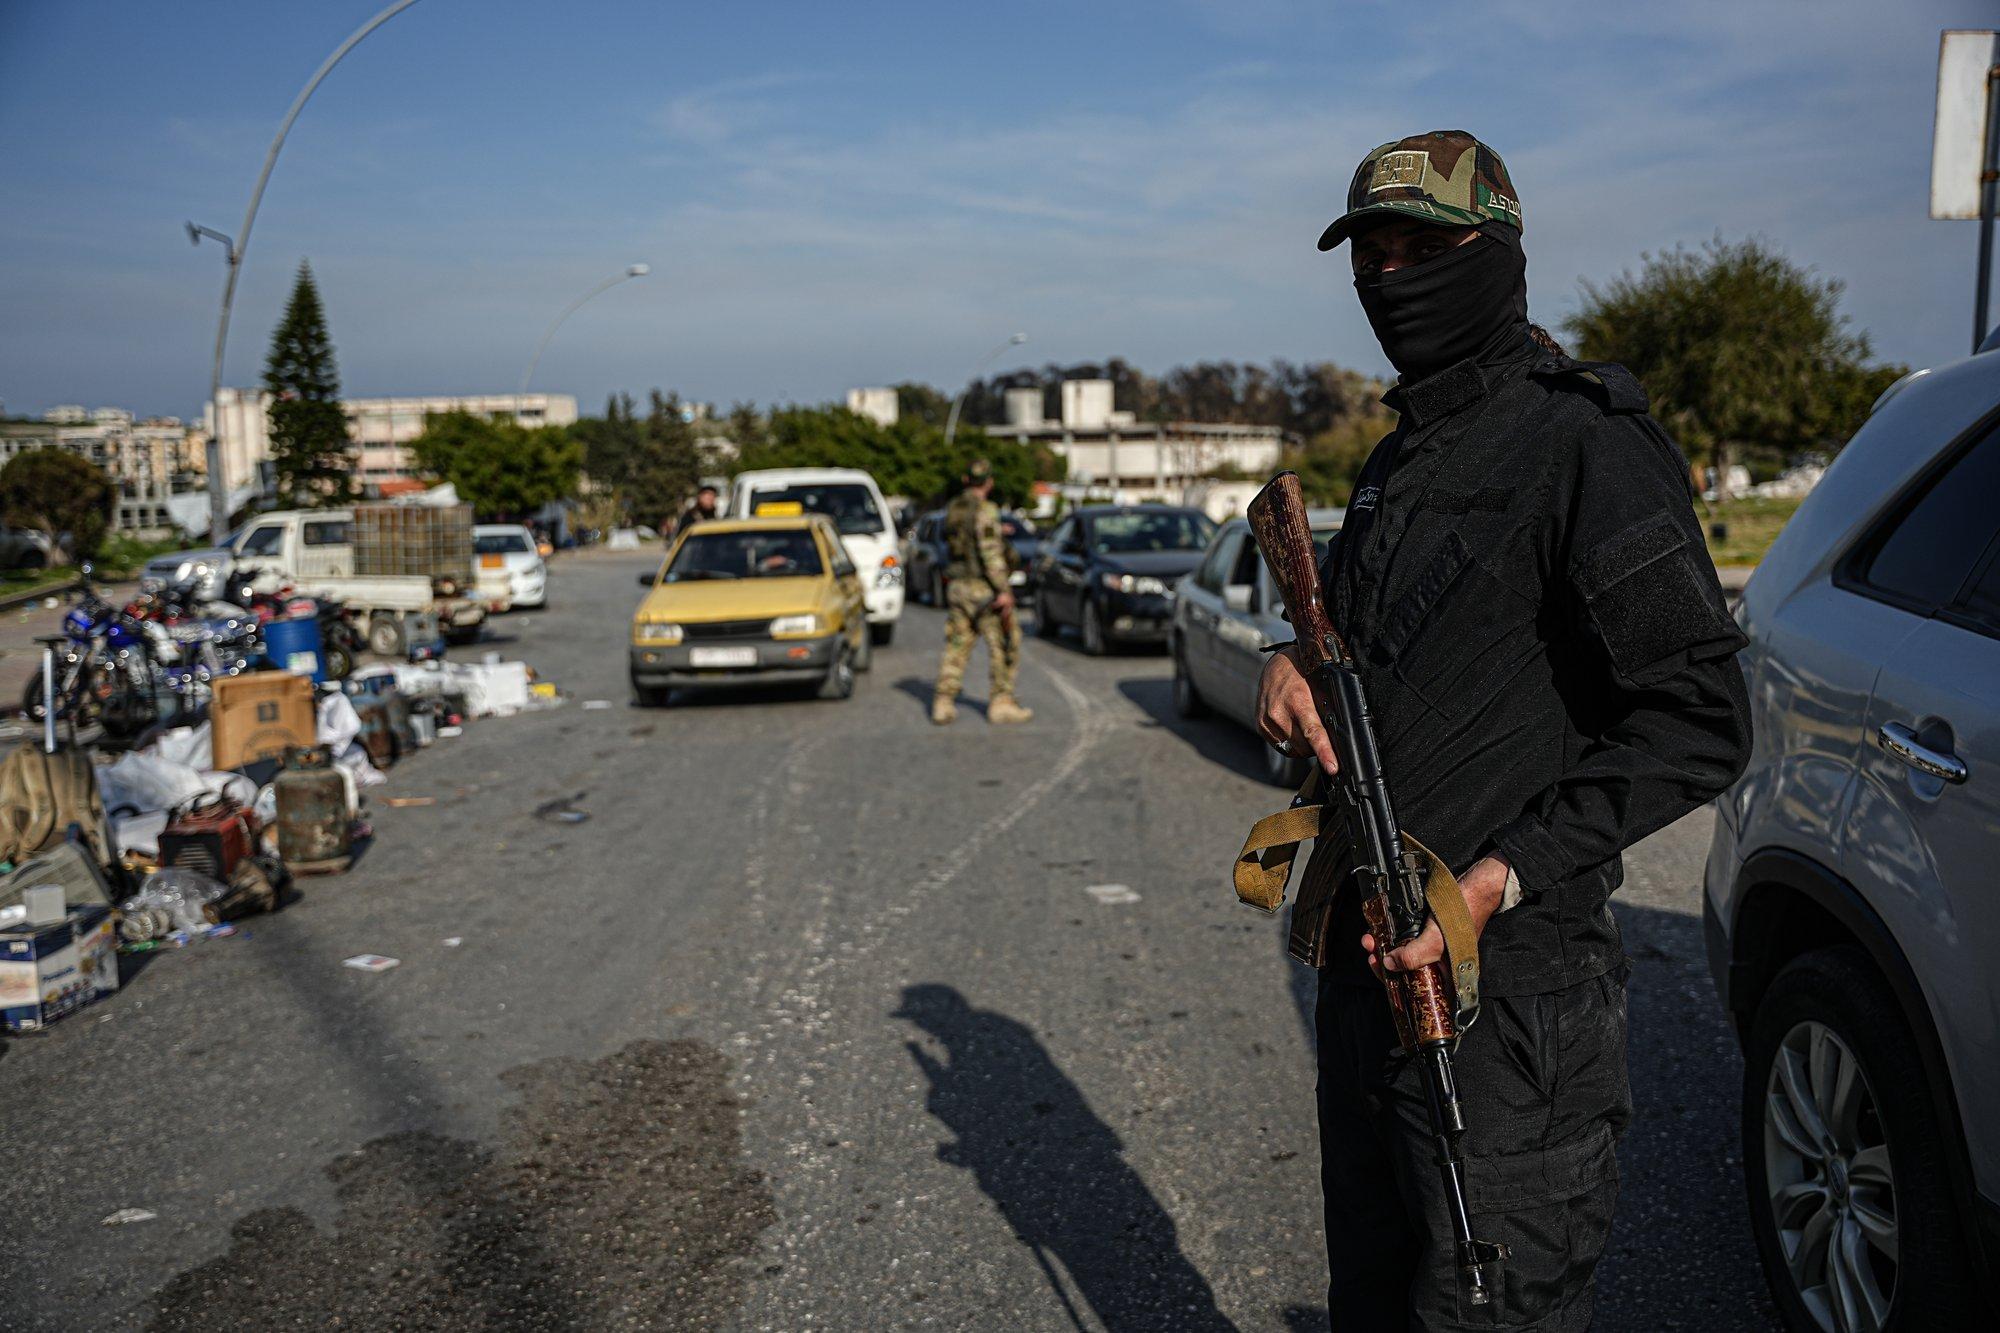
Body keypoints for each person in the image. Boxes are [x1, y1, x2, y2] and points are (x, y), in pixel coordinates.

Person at [1255, 130, 1751, 1329]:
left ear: (1496, 252)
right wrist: (1294, 671)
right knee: (1372, 1297)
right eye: (1367, 253)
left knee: (1490, 1307)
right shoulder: (1394, 463)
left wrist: (1492, 877)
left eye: (1419, 248)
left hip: (1509, 999)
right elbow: (1372, 667)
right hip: (1367, 974)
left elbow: (1698, 721)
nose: (1388, 277)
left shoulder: (1585, 442)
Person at [931, 460, 1031, 726]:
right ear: (990, 482)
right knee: (1004, 643)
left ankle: (943, 701)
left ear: (965, 480)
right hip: (983, 589)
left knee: (956, 645)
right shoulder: (986, 510)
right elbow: (990, 554)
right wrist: (1004, 591)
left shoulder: (953, 509)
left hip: (957, 586)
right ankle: (1002, 702)